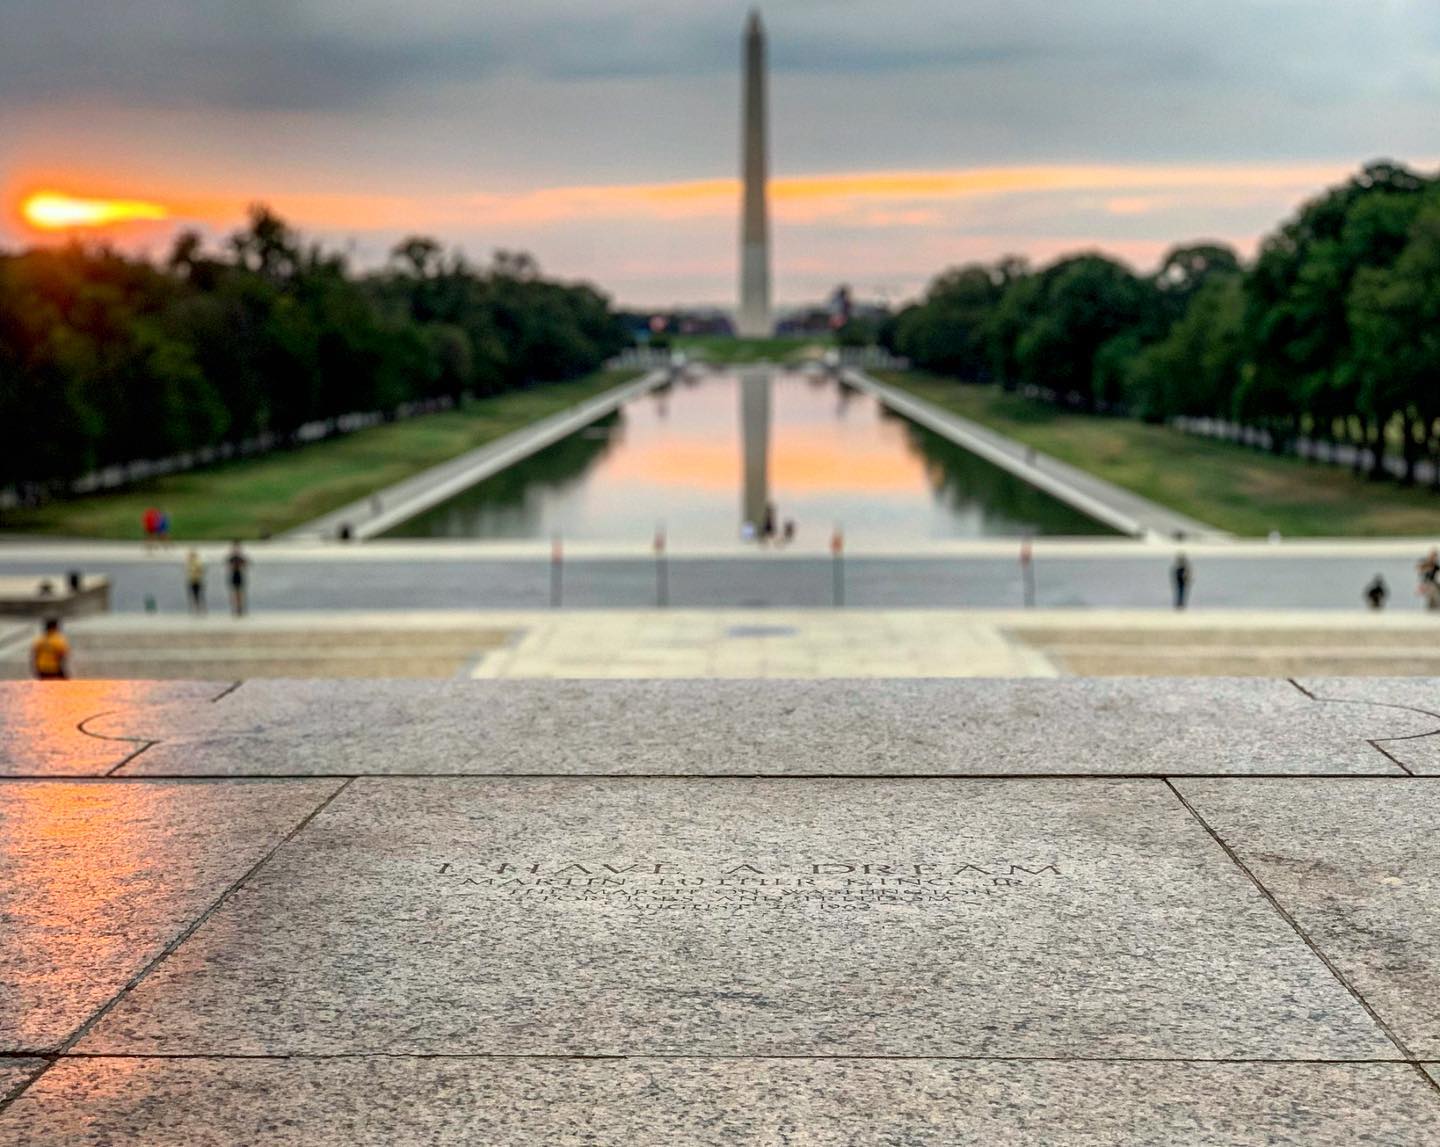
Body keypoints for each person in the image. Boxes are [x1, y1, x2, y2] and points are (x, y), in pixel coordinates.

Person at [227, 541, 250, 617]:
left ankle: (240, 608)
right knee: (234, 593)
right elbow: (229, 566)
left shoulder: (240, 557)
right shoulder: (232, 558)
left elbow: (246, 564)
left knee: (240, 593)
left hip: (239, 575)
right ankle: (235, 608)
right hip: (234, 575)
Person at [185, 549, 207, 615]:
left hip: (197, 581)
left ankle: (200, 609)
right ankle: (195, 609)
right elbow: (189, 573)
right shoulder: (189, 563)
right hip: (192, 581)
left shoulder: (197, 563)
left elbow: (201, 571)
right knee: (194, 596)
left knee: (199, 596)